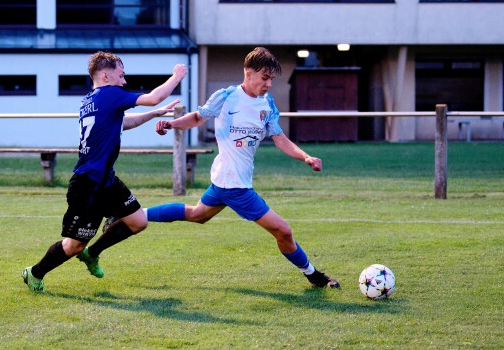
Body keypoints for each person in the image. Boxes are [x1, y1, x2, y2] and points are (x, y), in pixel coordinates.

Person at [146, 47, 340, 289]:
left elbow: (279, 138)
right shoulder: (226, 97)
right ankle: (314, 276)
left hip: (226, 180)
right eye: (264, 78)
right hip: (235, 185)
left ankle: (134, 215)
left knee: (197, 215)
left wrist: (306, 157)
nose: (269, 84)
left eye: (271, 79)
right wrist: (171, 123)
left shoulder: (267, 103)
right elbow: (198, 117)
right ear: (248, 73)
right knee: (283, 231)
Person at [22, 51, 187, 293]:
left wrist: (154, 114)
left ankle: (93, 253)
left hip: (105, 180)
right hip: (88, 184)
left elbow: (123, 122)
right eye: (121, 75)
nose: (125, 81)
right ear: (106, 75)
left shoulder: (92, 99)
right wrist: (177, 76)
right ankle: (34, 273)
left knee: (138, 221)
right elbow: (153, 97)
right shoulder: (110, 94)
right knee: (74, 245)